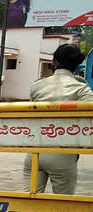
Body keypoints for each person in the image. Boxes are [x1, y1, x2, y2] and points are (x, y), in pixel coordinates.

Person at [23, 44, 93, 195]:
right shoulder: (80, 88)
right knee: (62, 205)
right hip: (63, 152)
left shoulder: (37, 86)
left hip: (34, 151)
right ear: (75, 65)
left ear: (54, 62)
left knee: (28, 202)